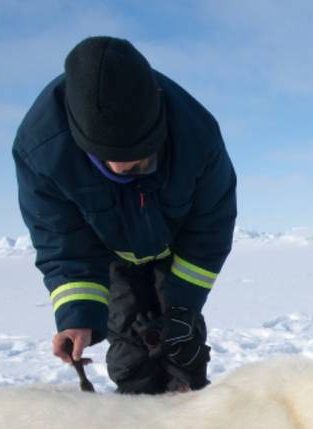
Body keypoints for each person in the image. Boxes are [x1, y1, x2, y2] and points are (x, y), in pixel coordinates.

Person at [13, 36, 237, 394]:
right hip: (111, 257)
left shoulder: (197, 134)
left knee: (183, 346)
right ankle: (138, 427)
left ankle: (193, 419)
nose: (120, 166)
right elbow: (62, 240)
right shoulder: (42, 150)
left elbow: (210, 229)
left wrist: (183, 307)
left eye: (138, 157)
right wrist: (77, 317)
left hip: (177, 249)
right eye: (105, 157)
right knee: (132, 356)